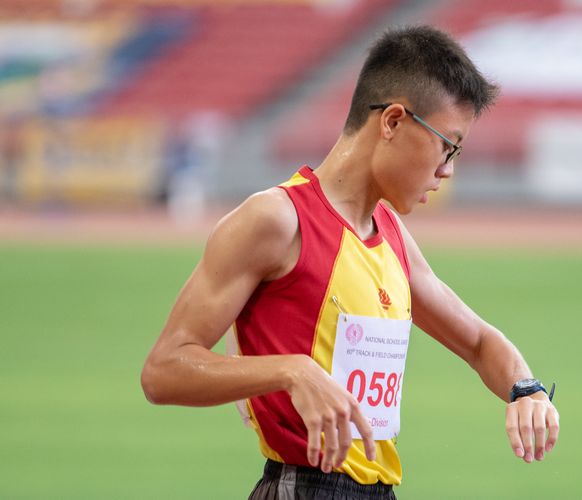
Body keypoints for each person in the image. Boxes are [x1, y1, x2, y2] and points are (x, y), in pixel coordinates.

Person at [141, 25, 560, 499]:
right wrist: (291, 371)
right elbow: (164, 370)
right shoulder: (277, 219)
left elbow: (480, 340)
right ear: (393, 121)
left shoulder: (391, 235)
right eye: (447, 145)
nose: (448, 170)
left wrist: (526, 389)